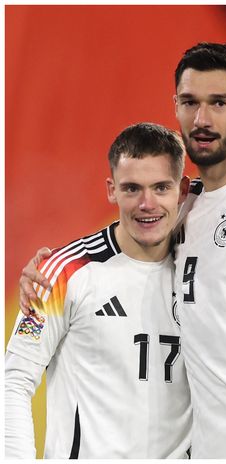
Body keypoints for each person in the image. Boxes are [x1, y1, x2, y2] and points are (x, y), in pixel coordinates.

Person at [17, 43, 226, 458]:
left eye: (219, 103)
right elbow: (124, 248)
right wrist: (49, 276)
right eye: (191, 102)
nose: (202, 119)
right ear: (175, 105)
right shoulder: (184, 206)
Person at [5, 123, 192, 458]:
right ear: (111, 190)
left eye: (161, 188)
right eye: (132, 188)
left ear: (183, 189)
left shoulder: (209, 274)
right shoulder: (61, 274)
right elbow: (14, 382)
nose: (147, 203)